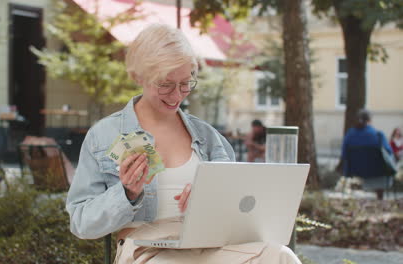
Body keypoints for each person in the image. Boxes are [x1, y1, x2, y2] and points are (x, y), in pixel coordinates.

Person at [66, 24, 301, 263]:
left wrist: (208, 202)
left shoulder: (209, 138)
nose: (177, 95)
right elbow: (81, 223)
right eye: (165, 84)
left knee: (280, 256)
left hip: (210, 246)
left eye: (185, 83)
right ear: (139, 76)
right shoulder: (104, 136)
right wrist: (126, 194)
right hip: (148, 250)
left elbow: (238, 213)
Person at [340, 109, 394, 200]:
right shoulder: (378, 135)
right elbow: (389, 152)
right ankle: (380, 197)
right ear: (370, 120)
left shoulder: (350, 134)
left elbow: (344, 154)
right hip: (377, 172)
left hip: (354, 171)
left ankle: (352, 195)